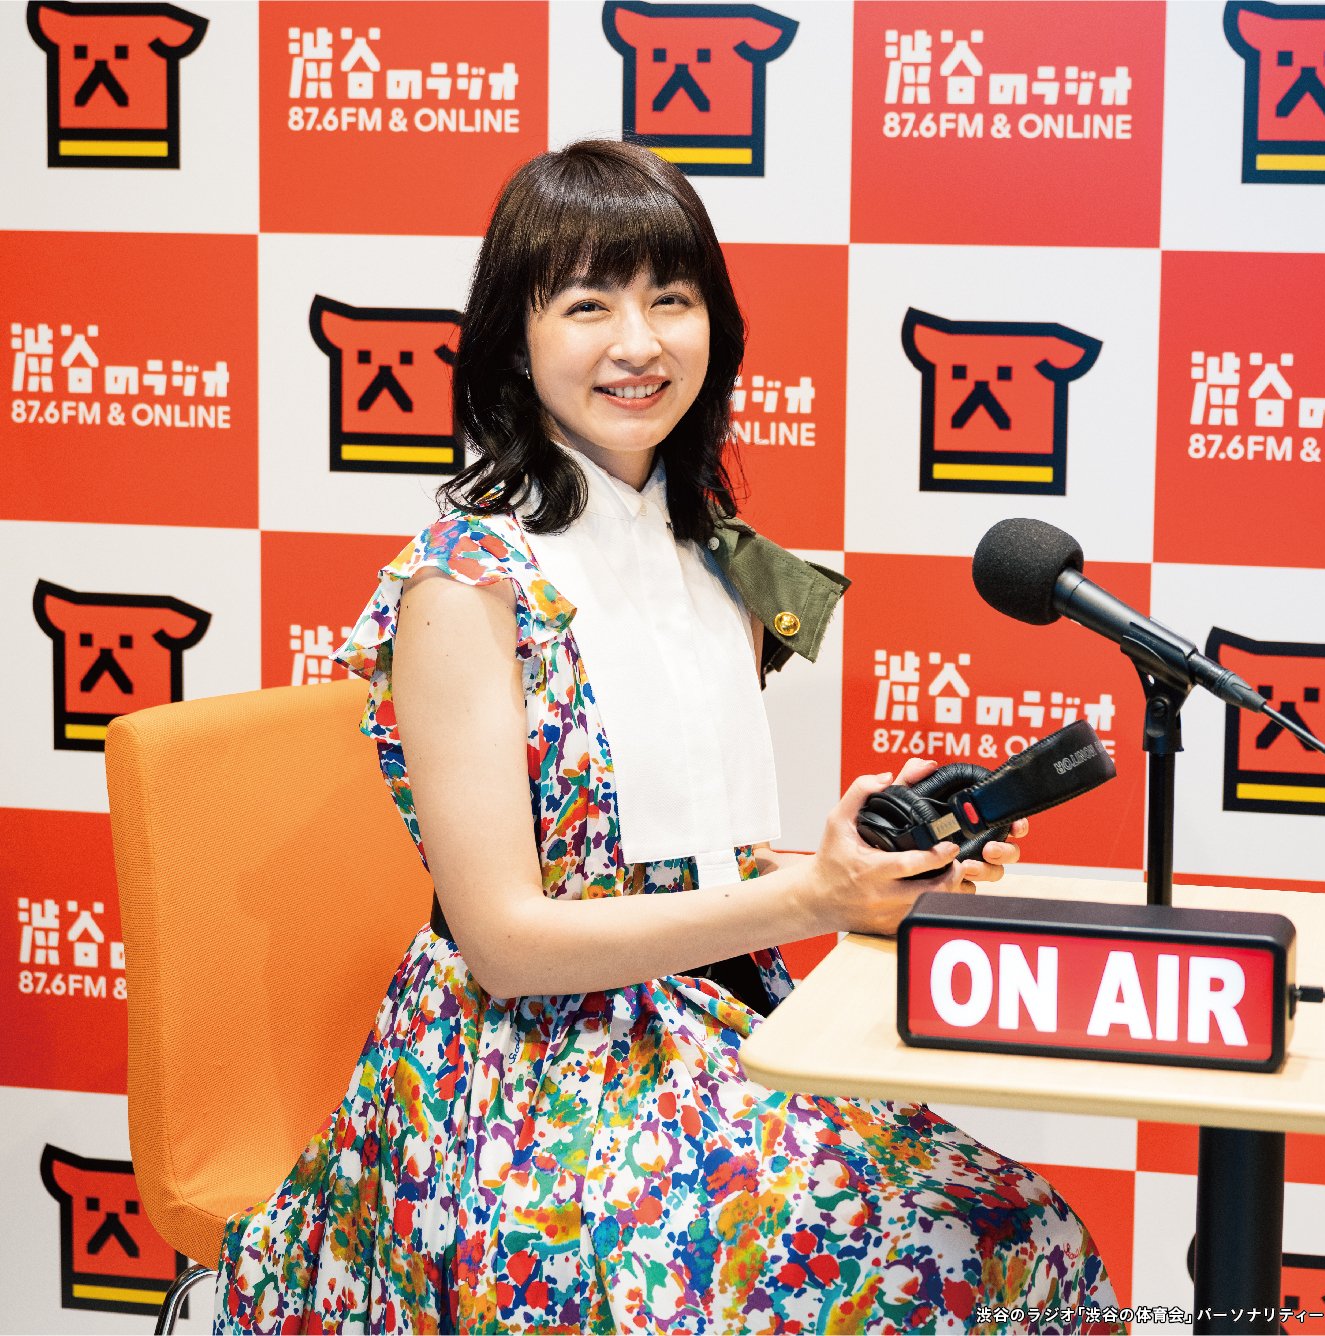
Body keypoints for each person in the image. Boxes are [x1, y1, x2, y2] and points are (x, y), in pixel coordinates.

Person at [213, 140, 1118, 1334]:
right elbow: (506, 943)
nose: (636, 343)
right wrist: (809, 900)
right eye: (587, 304)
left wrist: (863, 867)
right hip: (524, 1086)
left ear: (714, 330)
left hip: (720, 1032)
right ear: (514, 342)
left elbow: (688, 860)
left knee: (1020, 1235)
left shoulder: (716, 557)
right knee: (844, 1285)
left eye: (670, 299)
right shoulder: (462, 585)